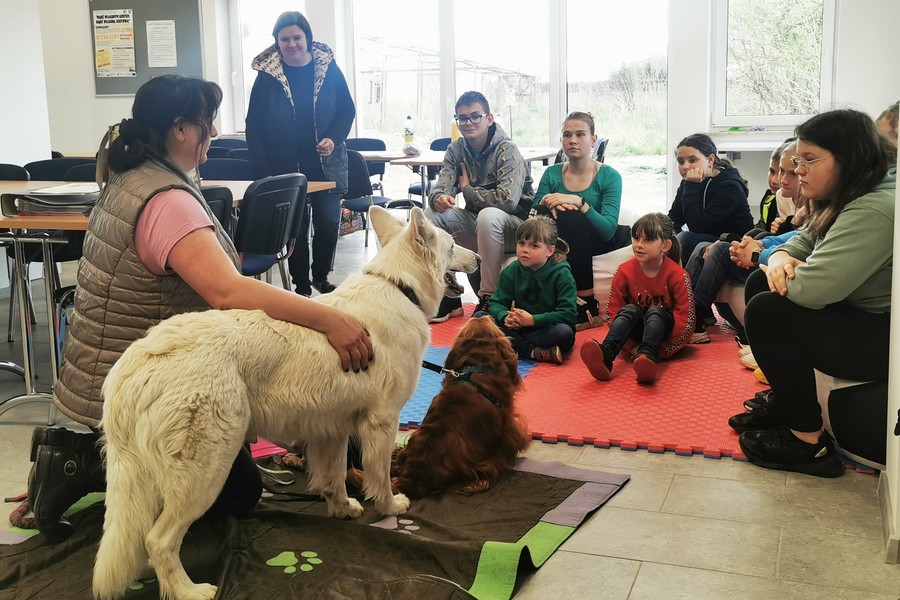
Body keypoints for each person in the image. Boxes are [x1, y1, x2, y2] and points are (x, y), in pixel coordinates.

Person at [27, 75, 373, 542]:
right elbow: (229, 292)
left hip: (105, 376)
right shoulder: (169, 201)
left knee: (244, 446)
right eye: (207, 123)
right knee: (235, 494)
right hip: (141, 387)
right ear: (180, 129)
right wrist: (331, 319)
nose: (212, 133)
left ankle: (94, 454)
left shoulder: (130, 177)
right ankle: (85, 462)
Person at [728, 108, 896, 478]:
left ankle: (809, 443)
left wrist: (780, 263)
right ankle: (787, 402)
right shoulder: (852, 191)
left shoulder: (874, 208)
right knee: (760, 284)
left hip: (884, 338)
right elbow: (804, 238)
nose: (798, 169)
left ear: (848, 159)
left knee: (767, 311)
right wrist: (782, 256)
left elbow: (811, 290)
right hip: (859, 315)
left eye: (808, 160)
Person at [246, 11, 355, 297]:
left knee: (329, 224)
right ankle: (302, 287)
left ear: (307, 38)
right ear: (277, 42)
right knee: (296, 230)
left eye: (297, 37)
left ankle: (320, 276)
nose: (292, 44)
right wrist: (263, 170)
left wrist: (333, 138)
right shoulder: (267, 76)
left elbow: (347, 110)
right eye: (285, 39)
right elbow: (254, 125)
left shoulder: (327, 67)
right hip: (284, 167)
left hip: (326, 165)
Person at [686, 140, 808, 344]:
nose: (779, 180)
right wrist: (751, 244)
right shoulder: (777, 197)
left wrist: (755, 248)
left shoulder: (730, 186)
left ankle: (692, 319)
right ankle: (683, 310)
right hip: (766, 250)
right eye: (776, 171)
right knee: (699, 245)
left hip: (782, 263)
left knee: (719, 251)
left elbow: (799, 240)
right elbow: (763, 230)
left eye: (792, 173)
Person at [427, 91, 534, 320]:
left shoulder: (508, 150)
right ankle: (448, 295)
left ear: (489, 118)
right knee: (431, 215)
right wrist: (438, 197)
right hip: (480, 226)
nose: (469, 122)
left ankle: (489, 299)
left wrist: (467, 190)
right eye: (462, 118)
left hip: (516, 228)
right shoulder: (456, 150)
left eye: (475, 116)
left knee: (488, 215)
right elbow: (442, 185)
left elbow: (507, 201)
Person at [533, 111, 629, 330]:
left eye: (580, 134)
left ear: (593, 140)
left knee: (571, 215)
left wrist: (579, 203)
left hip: (599, 237)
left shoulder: (610, 176)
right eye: (567, 135)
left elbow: (607, 230)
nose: (573, 140)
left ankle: (588, 305)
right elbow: (537, 213)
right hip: (560, 237)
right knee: (561, 216)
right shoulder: (552, 174)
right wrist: (556, 204)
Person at [580, 213, 694, 385]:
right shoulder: (624, 271)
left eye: (647, 240)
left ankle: (648, 357)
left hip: (661, 335)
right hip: (637, 333)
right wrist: (631, 347)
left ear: (665, 245)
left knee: (656, 312)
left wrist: (663, 351)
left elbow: (686, 321)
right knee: (629, 310)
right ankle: (607, 354)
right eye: (636, 238)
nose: (639, 245)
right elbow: (613, 312)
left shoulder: (678, 276)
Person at [483, 216, 576, 365]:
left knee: (564, 333)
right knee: (481, 317)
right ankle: (533, 352)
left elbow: (568, 314)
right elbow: (496, 303)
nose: (525, 250)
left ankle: (512, 347)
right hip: (518, 328)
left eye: (534, 246)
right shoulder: (511, 270)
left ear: (550, 251)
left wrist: (533, 320)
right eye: (521, 243)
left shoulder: (562, 275)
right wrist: (504, 317)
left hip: (545, 330)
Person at [667, 133, 754, 262]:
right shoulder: (689, 182)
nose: (685, 167)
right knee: (664, 237)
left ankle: (681, 281)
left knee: (685, 239)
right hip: (706, 238)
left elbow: (699, 226)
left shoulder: (730, 187)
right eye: (681, 161)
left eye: (692, 160)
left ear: (710, 160)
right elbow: (675, 218)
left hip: (733, 242)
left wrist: (691, 186)